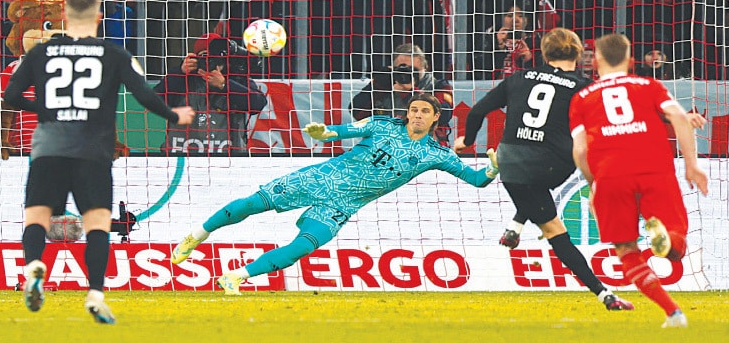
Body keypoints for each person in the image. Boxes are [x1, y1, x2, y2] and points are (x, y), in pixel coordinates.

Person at [170, 93, 498, 294]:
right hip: (322, 178)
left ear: (436, 117)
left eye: (424, 111)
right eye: (413, 109)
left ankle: (235, 278)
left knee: (302, 246)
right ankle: (196, 235)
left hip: (344, 203)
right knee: (254, 204)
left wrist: (494, 168)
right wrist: (323, 133)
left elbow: (476, 179)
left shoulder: (436, 154)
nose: (417, 115)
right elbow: (339, 131)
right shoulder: (383, 124)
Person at [3, 0, 195, 324]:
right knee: (96, 225)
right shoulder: (112, 53)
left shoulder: (42, 52)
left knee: (36, 216)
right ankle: (94, 293)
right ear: (97, 18)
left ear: (65, 18)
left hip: (48, 146)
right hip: (93, 149)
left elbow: (12, 95)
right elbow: (143, 94)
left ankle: (35, 265)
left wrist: (48, 110)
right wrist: (174, 115)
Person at [454, 27, 634, 312]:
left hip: (510, 163)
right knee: (551, 196)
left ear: (545, 53)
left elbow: (476, 112)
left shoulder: (519, 78)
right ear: (578, 53)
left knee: (542, 211)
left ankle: (517, 227)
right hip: (556, 165)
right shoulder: (584, 87)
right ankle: (603, 294)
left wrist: (467, 140)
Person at [570, 33, 709, 328]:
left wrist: (594, 183)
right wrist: (692, 165)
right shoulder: (648, 85)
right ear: (631, 61)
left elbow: (580, 150)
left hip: (610, 174)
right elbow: (681, 118)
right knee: (677, 241)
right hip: (653, 168)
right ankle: (668, 239)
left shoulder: (582, 97)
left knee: (626, 248)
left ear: (594, 61)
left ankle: (673, 313)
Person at [154, 33, 267, 156]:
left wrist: (225, 85)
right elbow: (155, 101)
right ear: (195, 57)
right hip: (181, 157)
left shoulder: (236, 79)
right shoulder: (183, 79)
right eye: (205, 55)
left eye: (215, 56)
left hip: (229, 159)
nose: (210, 61)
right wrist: (180, 73)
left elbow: (258, 104)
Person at [351, 43, 454, 146]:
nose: (407, 73)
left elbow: (444, 115)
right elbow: (356, 112)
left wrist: (409, 93)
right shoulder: (384, 84)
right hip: (385, 149)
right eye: (402, 68)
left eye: (413, 70)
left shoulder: (439, 86)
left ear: (425, 68)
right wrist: (378, 84)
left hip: (427, 150)